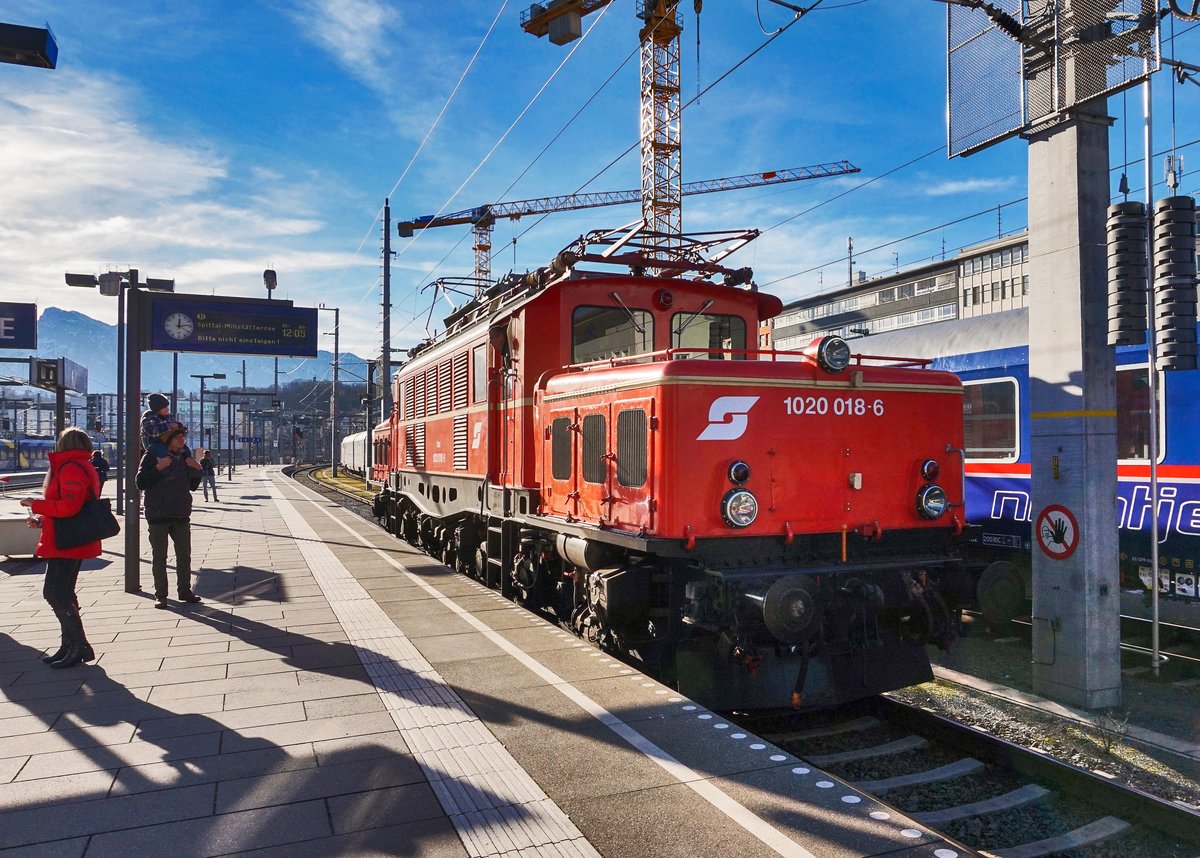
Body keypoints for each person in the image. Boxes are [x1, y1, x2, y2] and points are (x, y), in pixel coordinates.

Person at [19, 427, 102, 669]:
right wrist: (42, 520)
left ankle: (79, 645)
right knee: (64, 593)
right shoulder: (79, 465)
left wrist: (37, 505)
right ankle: (69, 645)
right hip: (70, 537)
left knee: (55, 593)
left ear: (63, 444)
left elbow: (69, 507)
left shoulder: (71, 468)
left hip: (67, 542)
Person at [135, 427, 203, 608]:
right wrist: (159, 467)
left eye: (183, 437)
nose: (182, 440)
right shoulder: (152, 456)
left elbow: (192, 486)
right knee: (160, 557)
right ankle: (161, 595)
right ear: (168, 439)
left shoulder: (184, 457)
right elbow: (140, 482)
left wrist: (198, 469)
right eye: (178, 437)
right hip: (158, 514)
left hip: (181, 513)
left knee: (184, 556)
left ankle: (185, 591)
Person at [140, 393, 191, 462]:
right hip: (154, 444)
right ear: (157, 409)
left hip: (168, 443)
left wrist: (179, 426)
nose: (167, 409)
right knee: (162, 452)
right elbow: (153, 433)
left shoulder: (169, 417)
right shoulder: (149, 419)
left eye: (167, 407)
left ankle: (186, 463)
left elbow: (176, 427)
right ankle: (165, 466)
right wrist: (169, 426)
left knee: (185, 449)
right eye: (164, 407)